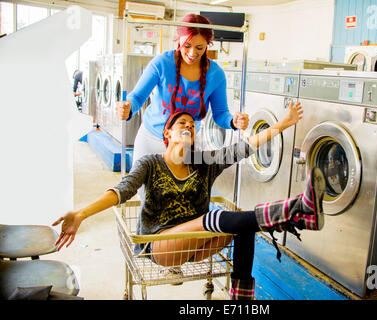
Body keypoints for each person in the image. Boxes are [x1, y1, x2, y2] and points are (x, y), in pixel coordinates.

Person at [53, 101, 326, 300]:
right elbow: (120, 191)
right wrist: (81, 214)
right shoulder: (150, 163)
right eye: (181, 124)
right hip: (161, 246)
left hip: (200, 241)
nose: (188, 127)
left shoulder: (203, 162)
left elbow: (243, 147)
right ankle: (297, 209)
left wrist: (282, 124)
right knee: (213, 218)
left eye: (191, 126)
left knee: (241, 225)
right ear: (167, 135)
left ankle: (242, 299)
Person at [115, 13, 249, 173]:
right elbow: (137, 97)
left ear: (208, 45)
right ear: (178, 40)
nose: (193, 53)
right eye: (187, 45)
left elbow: (221, 114)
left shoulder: (216, 74)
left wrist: (234, 122)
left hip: (186, 145)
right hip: (150, 139)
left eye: (200, 47)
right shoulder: (162, 63)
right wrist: (127, 107)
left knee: (181, 192)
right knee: (145, 192)